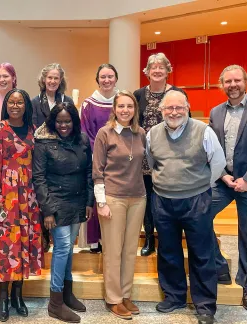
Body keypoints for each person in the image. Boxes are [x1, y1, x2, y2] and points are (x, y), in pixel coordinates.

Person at [146, 90, 225, 324]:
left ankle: (205, 305)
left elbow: (218, 163)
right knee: (168, 252)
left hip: (196, 201)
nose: (174, 112)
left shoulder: (204, 132)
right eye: (169, 108)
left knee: (202, 253)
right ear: (161, 111)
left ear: (187, 107)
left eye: (179, 107)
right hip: (162, 201)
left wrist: (199, 185)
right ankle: (174, 296)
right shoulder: (153, 134)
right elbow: (153, 163)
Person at [208, 65, 247, 313]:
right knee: (198, 216)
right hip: (224, 182)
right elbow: (212, 149)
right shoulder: (215, 112)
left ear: (246, 81)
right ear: (221, 84)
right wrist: (223, 176)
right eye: (227, 81)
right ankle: (220, 266)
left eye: (237, 80)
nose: (232, 85)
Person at [0, 89, 43, 322]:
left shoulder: (33, 131)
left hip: (28, 196)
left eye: (20, 103)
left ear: (26, 106)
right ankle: (3, 297)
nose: (15, 106)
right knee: (6, 246)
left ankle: (19, 295)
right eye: (12, 102)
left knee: (24, 244)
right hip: (5, 197)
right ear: (6, 105)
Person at [33, 102, 91, 323]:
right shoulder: (43, 142)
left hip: (77, 201)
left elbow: (88, 171)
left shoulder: (83, 139)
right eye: (59, 121)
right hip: (55, 202)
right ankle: (55, 302)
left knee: (68, 249)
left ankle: (67, 293)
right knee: (63, 247)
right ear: (52, 121)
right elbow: (38, 178)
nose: (63, 125)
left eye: (67, 121)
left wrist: (89, 201)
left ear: (74, 121)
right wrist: (47, 211)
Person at [92, 91, 146, 320]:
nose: (125, 110)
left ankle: (125, 295)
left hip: (138, 198)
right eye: (121, 106)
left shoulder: (140, 133)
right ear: (114, 109)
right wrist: (101, 202)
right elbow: (97, 171)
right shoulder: (105, 134)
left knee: (129, 250)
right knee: (113, 251)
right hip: (113, 198)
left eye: (130, 106)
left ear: (135, 110)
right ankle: (113, 299)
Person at [134, 53, 185, 257]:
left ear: (167, 70)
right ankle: (148, 239)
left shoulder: (177, 93)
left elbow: (185, 123)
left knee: (166, 199)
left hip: (170, 155)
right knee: (147, 199)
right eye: (152, 67)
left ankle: (166, 240)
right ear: (146, 71)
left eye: (161, 67)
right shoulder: (137, 95)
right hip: (144, 157)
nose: (157, 70)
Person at [80, 63, 119, 254]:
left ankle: (112, 239)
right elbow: (84, 132)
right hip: (96, 157)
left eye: (110, 76)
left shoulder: (122, 102)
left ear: (116, 79)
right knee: (97, 199)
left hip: (118, 160)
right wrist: (100, 153)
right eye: (103, 77)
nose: (107, 80)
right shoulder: (88, 104)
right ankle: (96, 241)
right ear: (97, 80)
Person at [31, 63, 75, 128]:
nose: (52, 81)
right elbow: (33, 128)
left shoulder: (68, 101)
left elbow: (73, 126)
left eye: (56, 78)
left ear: (60, 81)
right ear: (44, 79)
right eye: (50, 78)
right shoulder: (35, 102)